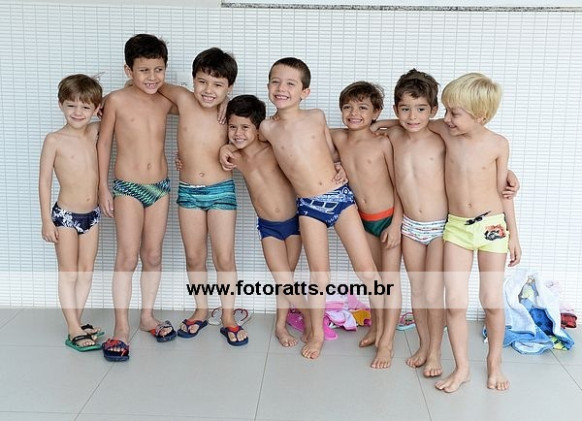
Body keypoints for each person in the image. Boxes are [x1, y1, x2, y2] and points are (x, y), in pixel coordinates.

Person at [259, 57, 383, 362]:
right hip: (308, 206)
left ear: (305, 92)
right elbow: (244, 139)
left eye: (290, 83)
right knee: (319, 275)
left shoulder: (316, 116)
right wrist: (226, 147)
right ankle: (316, 333)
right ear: (268, 86)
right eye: (276, 81)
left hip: (340, 199)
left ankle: (382, 328)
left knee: (367, 269)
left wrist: (342, 166)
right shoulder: (266, 127)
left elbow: (333, 151)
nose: (281, 88)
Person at [429, 73, 521, 392]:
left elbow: (503, 191)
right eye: (446, 110)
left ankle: (494, 364)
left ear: (480, 116)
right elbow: (412, 121)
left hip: (492, 226)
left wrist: (514, 235)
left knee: (491, 300)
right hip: (457, 227)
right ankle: (462, 368)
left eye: (454, 113)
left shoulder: (498, 144)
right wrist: (376, 124)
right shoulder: (445, 130)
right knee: (454, 302)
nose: (446, 118)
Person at [157, 48, 246, 346]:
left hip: (221, 191)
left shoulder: (232, 112)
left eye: (218, 85)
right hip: (188, 192)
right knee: (194, 256)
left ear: (229, 87)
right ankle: (201, 309)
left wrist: (230, 108)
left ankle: (229, 316)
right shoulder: (183, 99)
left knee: (224, 257)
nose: (209, 90)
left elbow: (252, 133)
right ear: (193, 79)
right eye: (202, 82)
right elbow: (152, 84)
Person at [97, 34, 176, 362]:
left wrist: (225, 103)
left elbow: (199, 109)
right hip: (127, 187)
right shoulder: (116, 101)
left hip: (160, 187)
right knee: (127, 257)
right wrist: (103, 187)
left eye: (158, 69)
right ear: (128, 70)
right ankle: (121, 326)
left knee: (153, 255)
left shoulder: (166, 100)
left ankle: (147, 316)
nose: (152, 77)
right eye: (144, 70)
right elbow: (103, 143)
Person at [219, 94, 311, 347]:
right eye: (233, 127)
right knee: (283, 278)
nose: (238, 133)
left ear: (258, 128)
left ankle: (281, 325)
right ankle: (310, 317)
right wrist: (224, 148)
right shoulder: (234, 157)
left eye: (245, 127)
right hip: (268, 227)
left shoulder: (272, 149)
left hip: (295, 223)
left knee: (286, 279)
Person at [329, 81, 403, 369]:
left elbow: (399, 186)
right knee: (372, 280)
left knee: (389, 280)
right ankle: (377, 328)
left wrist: (396, 224)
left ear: (376, 112)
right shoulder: (339, 138)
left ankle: (387, 342)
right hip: (362, 220)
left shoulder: (382, 141)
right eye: (347, 107)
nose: (354, 113)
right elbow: (305, 135)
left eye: (362, 108)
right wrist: (337, 165)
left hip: (388, 218)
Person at [383, 70, 448, 377]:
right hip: (410, 226)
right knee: (418, 292)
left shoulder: (441, 138)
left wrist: (507, 174)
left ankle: (435, 352)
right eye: (405, 109)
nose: (413, 116)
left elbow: (472, 155)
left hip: (439, 228)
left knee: (433, 293)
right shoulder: (394, 136)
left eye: (421, 109)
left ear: (433, 110)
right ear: (396, 109)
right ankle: (423, 345)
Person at [39, 74, 104, 352]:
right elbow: (44, 181)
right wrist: (46, 220)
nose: (78, 112)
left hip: (92, 216)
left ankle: (76, 323)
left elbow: (118, 107)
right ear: (60, 105)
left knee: (86, 271)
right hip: (65, 217)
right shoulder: (54, 139)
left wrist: (102, 102)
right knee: (69, 272)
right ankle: (73, 328)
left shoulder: (95, 131)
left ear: (95, 109)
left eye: (85, 107)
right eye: (71, 105)